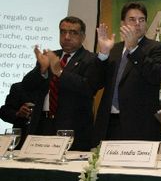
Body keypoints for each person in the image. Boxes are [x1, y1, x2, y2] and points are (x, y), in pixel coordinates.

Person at [21, 16, 101, 151]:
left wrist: (60, 72)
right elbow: (27, 86)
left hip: (72, 129)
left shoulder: (91, 59)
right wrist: (42, 70)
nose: (67, 37)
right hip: (42, 125)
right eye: (63, 32)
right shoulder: (50, 56)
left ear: (83, 37)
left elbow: (87, 88)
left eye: (73, 32)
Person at [94, 2, 161, 144]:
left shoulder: (157, 48)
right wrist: (103, 54)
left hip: (139, 128)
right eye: (132, 19)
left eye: (142, 20)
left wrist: (134, 48)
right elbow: (95, 83)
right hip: (108, 125)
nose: (137, 24)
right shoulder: (113, 49)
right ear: (123, 23)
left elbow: (156, 76)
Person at [0, 82, 35, 148]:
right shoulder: (19, 87)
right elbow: (4, 112)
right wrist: (17, 113)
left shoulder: (59, 87)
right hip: (23, 140)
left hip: (54, 138)